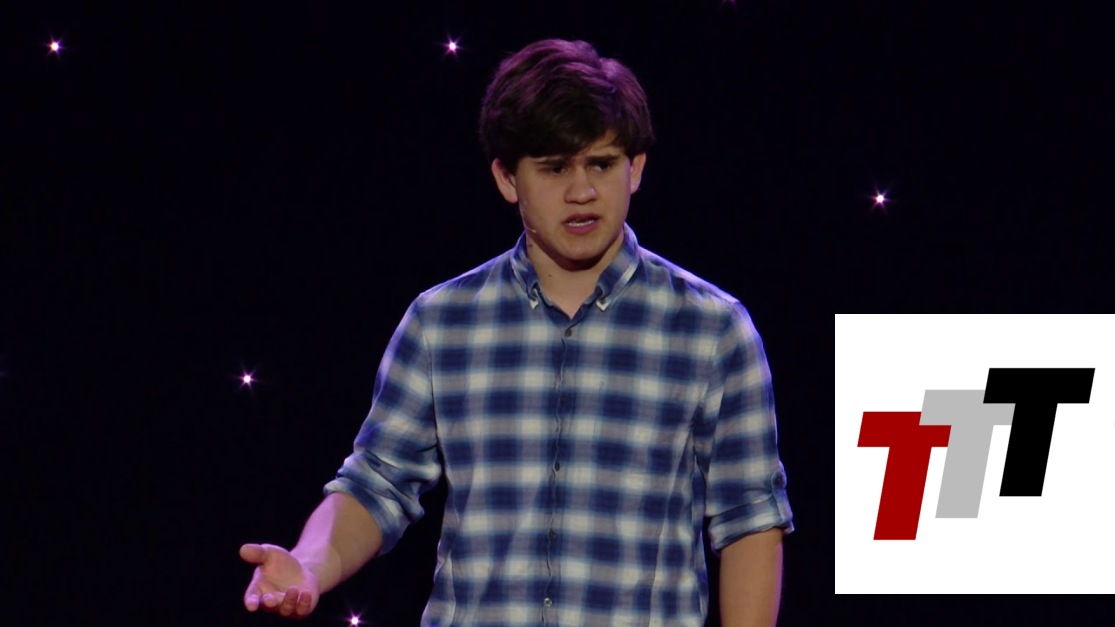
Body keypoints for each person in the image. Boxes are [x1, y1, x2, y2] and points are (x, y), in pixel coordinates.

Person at [240, 37, 793, 626]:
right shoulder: (441, 323)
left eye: (601, 164)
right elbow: (377, 484)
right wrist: (308, 563)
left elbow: (749, 520)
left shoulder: (712, 329)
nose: (582, 191)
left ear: (635, 169)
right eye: (554, 168)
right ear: (507, 179)